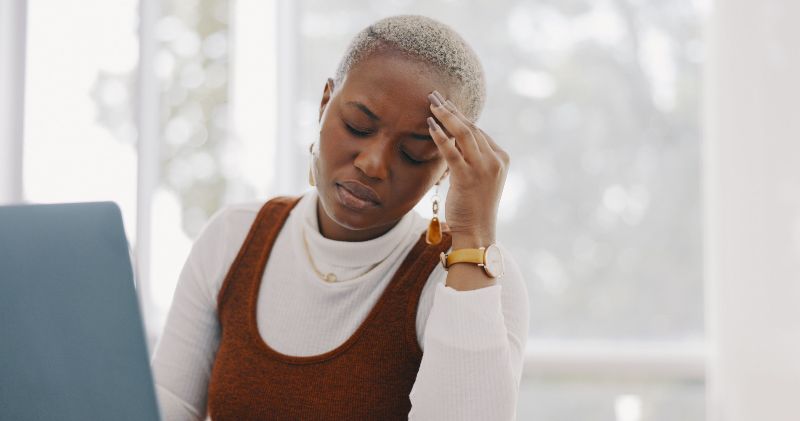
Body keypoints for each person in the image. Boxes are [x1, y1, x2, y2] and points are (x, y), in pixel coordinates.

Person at [151, 14, 530, 421]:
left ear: (444, 168)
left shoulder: (471, 276)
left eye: (414, 152)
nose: (372, 164)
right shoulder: (232, 238)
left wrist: (473, 236)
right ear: (324, 103)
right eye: (358, 126)